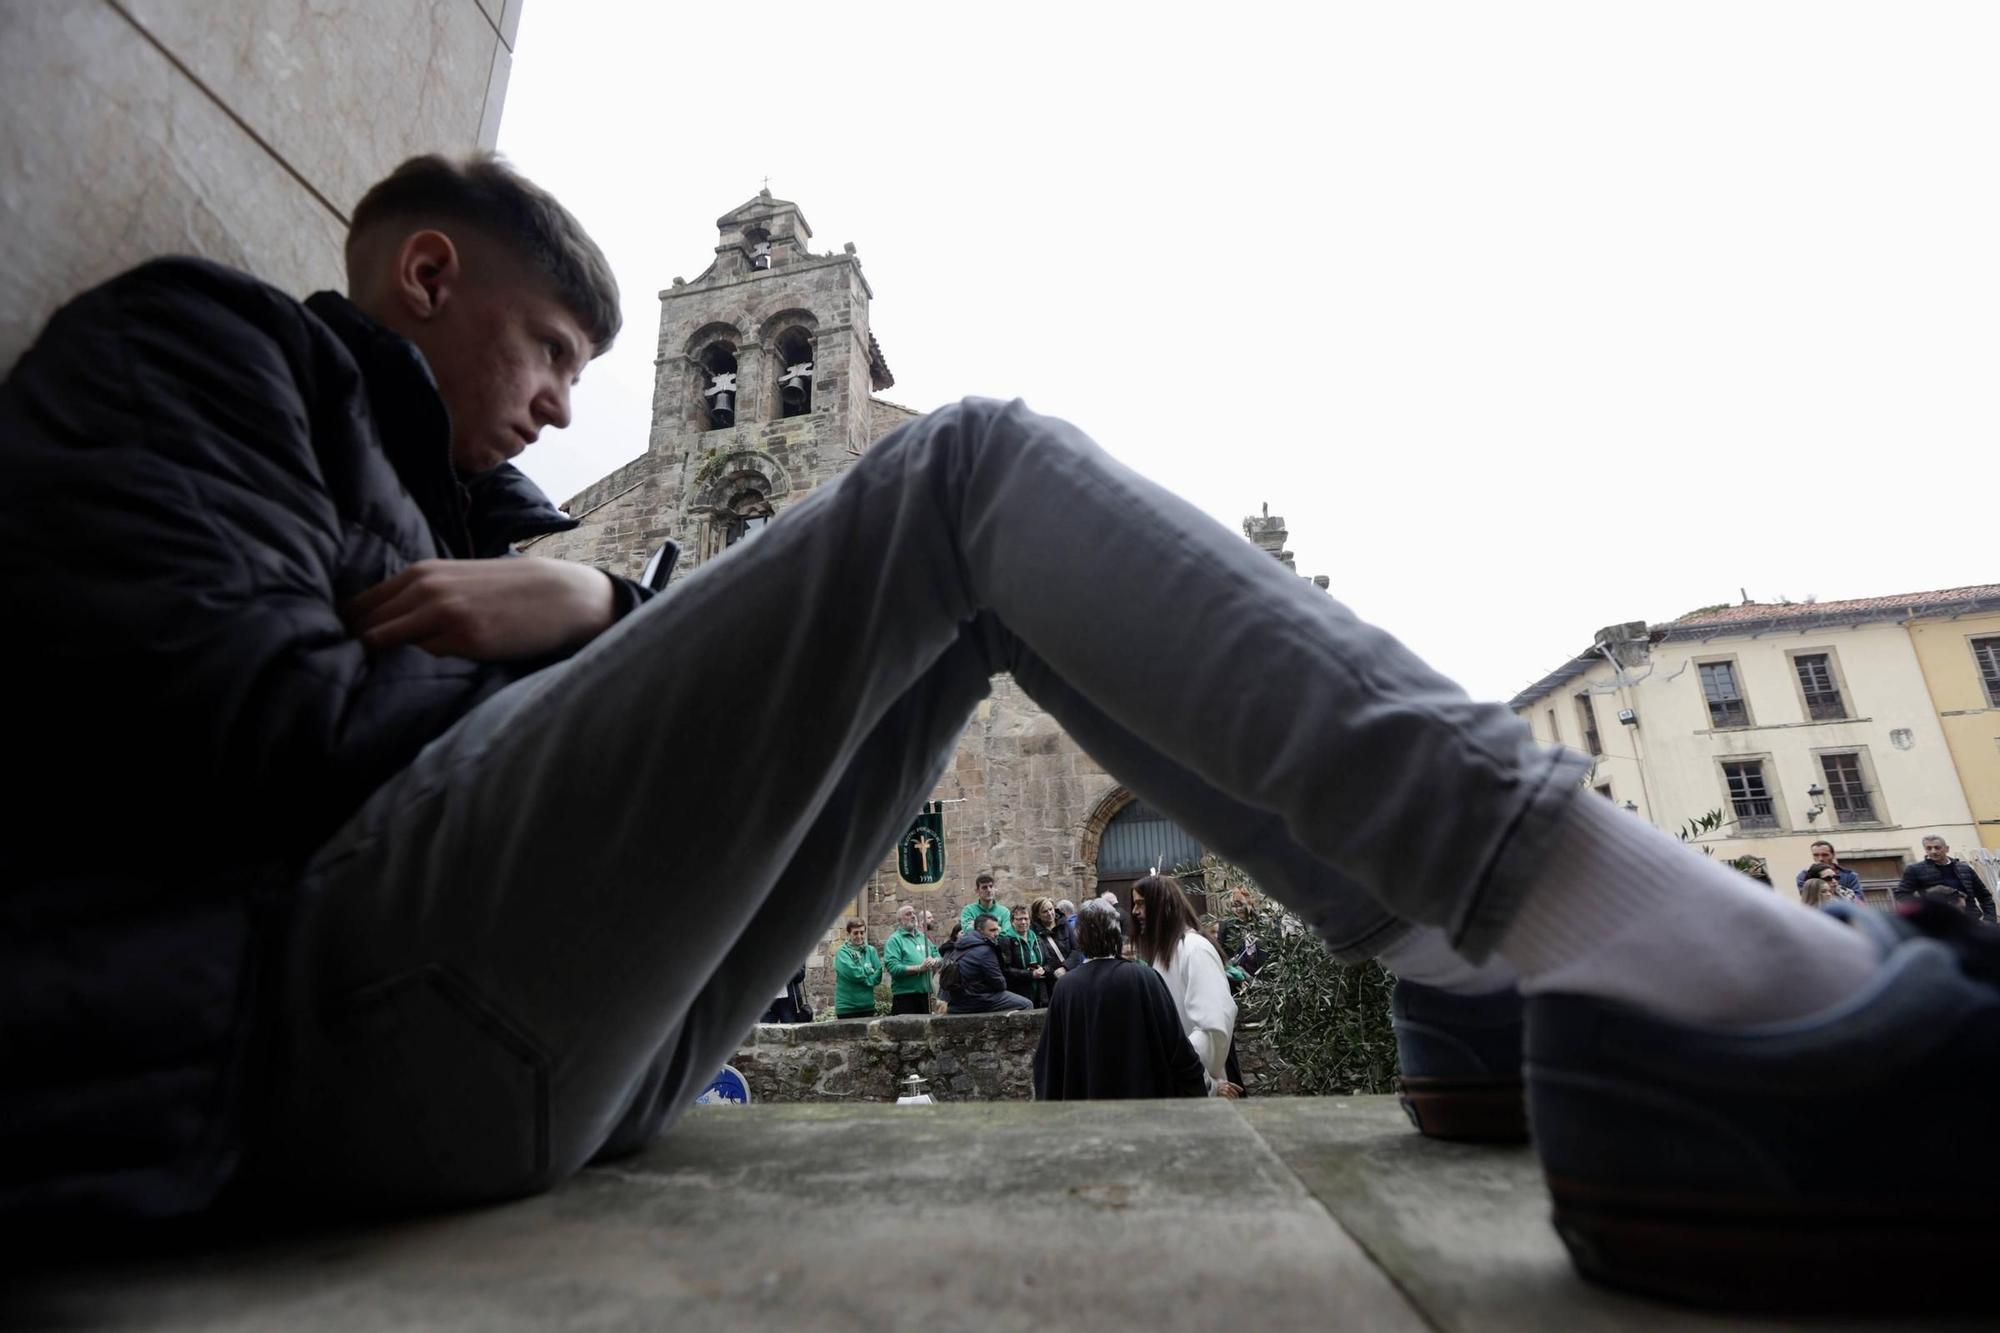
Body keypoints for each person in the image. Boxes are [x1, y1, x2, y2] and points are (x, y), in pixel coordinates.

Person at [5, 150, 1993, 1310]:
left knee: (941, 603)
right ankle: (1713, 992)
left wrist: (598, 596)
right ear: (426, 276)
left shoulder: (502, 519)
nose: (557, 410)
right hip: (301, 1049)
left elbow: (619, 676)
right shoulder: (200, 357)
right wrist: (584, 613)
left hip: (514, 1035)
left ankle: (1472, 973)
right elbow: (241, 733)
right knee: (971, 474)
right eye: (547, 354)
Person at [1033, 900, 1208, 1100]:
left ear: (1079, 937)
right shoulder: (1143, 978)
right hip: (1144, 1104)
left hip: (1088, 1110)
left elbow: (1049, 1062)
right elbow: (1176, 1047)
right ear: (1116, 935)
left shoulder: (1066, 988)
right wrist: (1202, 1086)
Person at [1129, 876, 1242, 1097]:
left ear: (1161, 905)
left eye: (1141, 903)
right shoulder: (1165, 954)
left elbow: (1212, 1027)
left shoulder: (1195, 949)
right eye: (1135, 903)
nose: (1135, 911)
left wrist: (1202, 1080)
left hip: (1199, 1085)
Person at [943, 915, 1033, 1015]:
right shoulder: (985, 951)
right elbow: (1000, 984)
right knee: (1026, 1004)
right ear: (980, 930)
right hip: (977, 999)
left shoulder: (960, 945)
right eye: (992, 930)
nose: (997, 934)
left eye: (997, 929)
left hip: (957, 1000)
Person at [1896, 836, 1997, 921]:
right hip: (1939, 922)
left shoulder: (1964, 868)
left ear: (1947, 848)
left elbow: (1984, 895)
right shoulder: (1915, 870)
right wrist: (1926, 905)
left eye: (1937, 847)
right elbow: (1901, 895)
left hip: (1970, 919)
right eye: (1929, 848)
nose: (1933, 851)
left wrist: (1990, 920)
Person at [882, 903, 942, 1015]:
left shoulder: (923, 937)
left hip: (926, 994)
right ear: (900, 920)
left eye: (914, 913)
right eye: (908, 914)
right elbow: (893, 968)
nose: (913, 916)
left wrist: (934, 961)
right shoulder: (894, 940)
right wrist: (919, 968)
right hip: (905, 997)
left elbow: (939, 957)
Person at [831, 918, 884, 1020]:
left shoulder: (871, 951)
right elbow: (853, 974)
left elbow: (878, 974)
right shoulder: (842, 952)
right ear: (848, 934)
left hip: (867, 1006)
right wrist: (869, 970)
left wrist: (865, 980)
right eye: (855, 933)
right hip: (847, 1008)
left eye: (862, 932)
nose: (859, 936)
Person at [1795, 841, 1862, 908]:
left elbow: (1858, 901)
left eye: (1825, 855)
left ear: (1833, 855)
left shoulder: (1849, 875)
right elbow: (1809, 898)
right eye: (1816, 855)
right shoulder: (1803, 876)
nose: (1820, 859)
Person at [1033, 896, 1081, 973]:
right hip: (1051, 978)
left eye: (1051, 909)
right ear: (1038, 915)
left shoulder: (1065, 925)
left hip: (1071, 972)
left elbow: (1077, 948)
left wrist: (1065, 967)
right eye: (1045, 911)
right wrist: (1047, 970)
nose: (1049, 913)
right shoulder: (1034, 932)